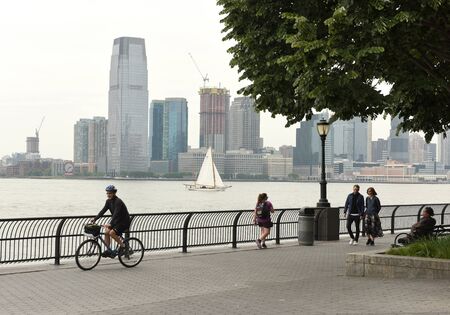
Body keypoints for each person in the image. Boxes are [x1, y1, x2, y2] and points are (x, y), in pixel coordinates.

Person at [91, 185, 131, 258]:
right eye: (107, 193)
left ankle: (124, 247)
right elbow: (103, 211)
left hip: (124, 222)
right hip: (117, 221)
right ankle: (108, 250)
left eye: (110, 193)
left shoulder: (118, 201)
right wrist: (95, 218)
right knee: (106, 232)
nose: (108, 195)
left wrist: (110, 223)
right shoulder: (108, 201)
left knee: (112, 233)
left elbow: (116, 213)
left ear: (114, 193)